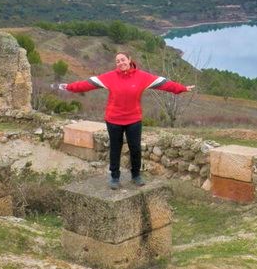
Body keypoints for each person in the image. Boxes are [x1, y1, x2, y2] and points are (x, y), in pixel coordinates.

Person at [54, 52, 194, 189]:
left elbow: (163, 83)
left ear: (129, 60)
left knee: (135, 148)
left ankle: (136, 175)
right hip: (114, 120)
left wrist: (182, 89)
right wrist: (69, 87)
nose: (121, 63)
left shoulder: (143, 77)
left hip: (134, 120)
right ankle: (115, 177)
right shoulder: (109, 77)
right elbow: (88, 83)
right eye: (118, 61)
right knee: (115, 148)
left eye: (123, 60)